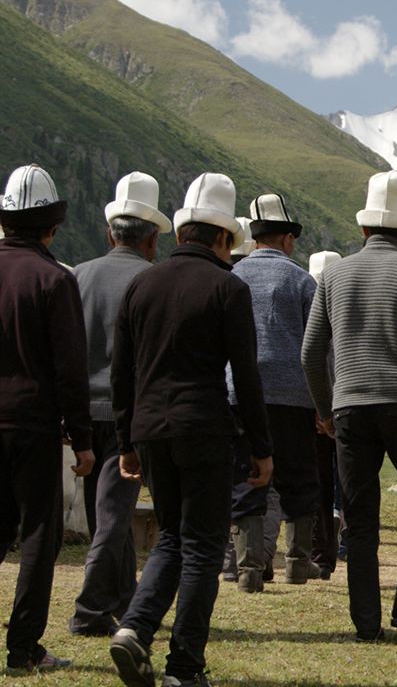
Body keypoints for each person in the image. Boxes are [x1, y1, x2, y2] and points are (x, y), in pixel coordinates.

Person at [109, 173, 273, 687]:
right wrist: (261, 448)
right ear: (224, 238)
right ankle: (184, 664)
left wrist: (126, 443)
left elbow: (122, 372)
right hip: (203, 426)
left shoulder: (142, 284)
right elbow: (246, 375)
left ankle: (135, 628)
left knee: (171, 537)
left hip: (149, 428)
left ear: (181, 232)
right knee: (202, 544)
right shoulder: (228, 288)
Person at [301, 171, 397, 641]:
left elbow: (310, 352)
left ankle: (366, 622)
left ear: (364, 229)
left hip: (349, 408)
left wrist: (326, 409)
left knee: (359, 517)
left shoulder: (333, 274)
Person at [0, 164, 95, 673]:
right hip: (34, 427)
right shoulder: (55, 280)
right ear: (51, 227)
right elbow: (69, 370)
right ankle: (22, 650)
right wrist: (81, 440)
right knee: (40, 535)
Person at [69, 171, 171, 637]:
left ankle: (123, 600)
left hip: (82, 415)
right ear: (152, 239)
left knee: (104, 513)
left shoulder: (79, 276)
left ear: (110, 233)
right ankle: (90, 610)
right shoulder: (153, 282)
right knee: (114, 517)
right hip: (129, 416)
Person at [226, 194, 322, 592]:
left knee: (247, 477)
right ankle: (298, 564)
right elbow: (318, 347)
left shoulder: (233, 277)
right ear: (285, 239)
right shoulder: (302, 281)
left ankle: (248, 569)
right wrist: (322, 402)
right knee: (299, 479)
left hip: (240, 394)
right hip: (294, 398)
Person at [307, 250, 343, 577]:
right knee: (336, 484)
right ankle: (327, 553)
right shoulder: (348, 312)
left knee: (319, 483)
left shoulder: (310, 311)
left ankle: (319, 553)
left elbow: (310, 360)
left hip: (317, 410)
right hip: (342, 409)